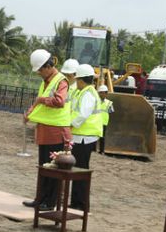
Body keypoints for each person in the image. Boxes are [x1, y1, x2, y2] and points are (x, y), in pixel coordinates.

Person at [22, 49, 72, 211]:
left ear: (48, 66)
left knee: (53, 168)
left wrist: (42, 100)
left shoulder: (60, 81)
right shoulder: (46, 82)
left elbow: (59, 101)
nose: (39, 74)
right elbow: (39, 104)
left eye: (40, 70)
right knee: (43, 167)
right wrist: (30, 112)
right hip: (45, 130)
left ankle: (50, 202)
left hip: (56, 132)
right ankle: (40, 198)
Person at [69, 64, 102, 210]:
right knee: (77, 169)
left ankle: (81, 204)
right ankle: (77, 202)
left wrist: (69, 125)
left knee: (81, 170)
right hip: (80, 136)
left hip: (84, 137)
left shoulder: (88, 93)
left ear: (81, 80)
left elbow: (82, 114)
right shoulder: (81, 92)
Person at [97, 85, 114, 154]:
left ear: (106, 93)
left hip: (103, 122)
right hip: (95, 121)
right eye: (101, 92)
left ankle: (101, 150)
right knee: (93, 135)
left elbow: (111, 111)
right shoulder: (96, 101)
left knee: (102, 137)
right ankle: (93, 149)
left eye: (103, 92)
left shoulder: (109, 103)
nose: (102, 94)